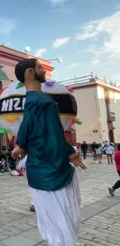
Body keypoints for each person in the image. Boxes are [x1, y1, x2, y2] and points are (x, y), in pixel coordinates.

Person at [11, 58, 85, 246]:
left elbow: (29, 125)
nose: (43, 71)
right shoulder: (43, 101)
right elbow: (54, 131)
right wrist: (69, 151)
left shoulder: (32, 101)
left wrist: (21, 144)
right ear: (29, 73)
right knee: (65, 219)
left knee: (55, 222)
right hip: (53, 169)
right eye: (40, 68)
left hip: (39, 169)